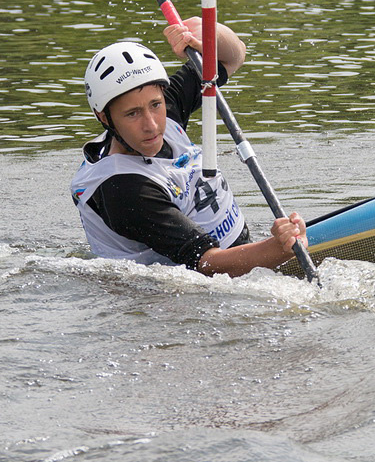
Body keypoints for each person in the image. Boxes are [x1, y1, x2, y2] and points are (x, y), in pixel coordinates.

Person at [71, 17, 307, 277]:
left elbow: (233, 57)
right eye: (132, 114)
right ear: (104, 117)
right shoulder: (124, 189)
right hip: (177, 290)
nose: (151, 125)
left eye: (155, 105)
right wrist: (278, 249)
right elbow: (207, 265)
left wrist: (209, 34)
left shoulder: (167, 110)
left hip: (239, 255)